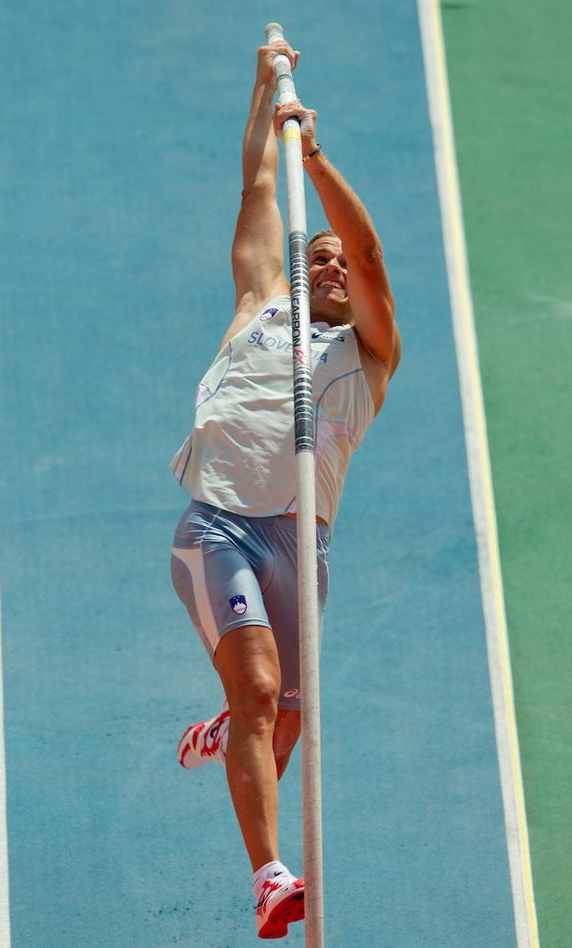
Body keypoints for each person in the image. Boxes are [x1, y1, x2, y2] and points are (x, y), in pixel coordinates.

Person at [170, 40, 400, 940]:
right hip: (219, 524)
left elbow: (374, 253)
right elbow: (259, 194)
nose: (333, 264)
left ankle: (232, 732)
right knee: (262, 694)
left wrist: (319, 157)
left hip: (302, 549)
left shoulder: (371, 353)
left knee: (278, 729)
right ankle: (270, 876)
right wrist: (266, 90)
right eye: (321, 255)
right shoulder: (262, 299)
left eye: (341, 262)